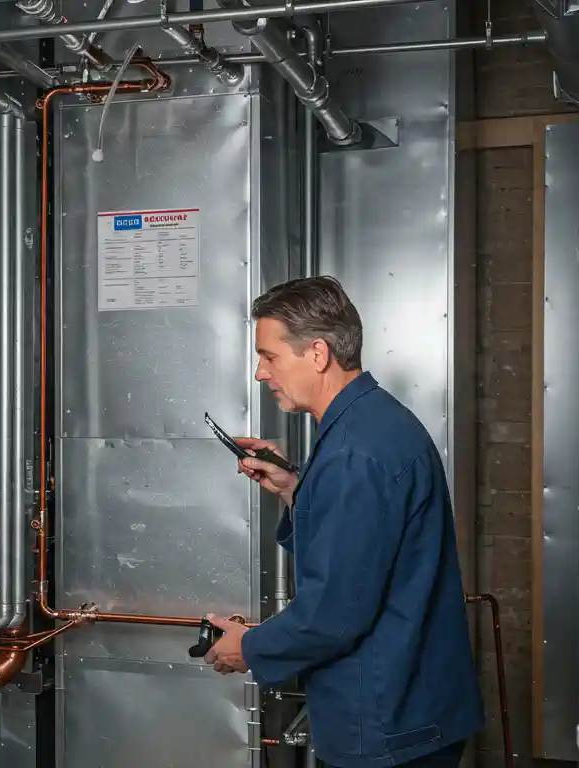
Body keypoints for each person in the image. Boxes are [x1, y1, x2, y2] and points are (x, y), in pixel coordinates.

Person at [202, 276, 483, 767]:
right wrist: (296, 489)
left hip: (386, 720)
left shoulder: (353, 453)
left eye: (270, 357)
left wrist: (249, 646)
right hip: (413, 706)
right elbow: (373, 552)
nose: (260, 374)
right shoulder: (374, 423)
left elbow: (334, 615)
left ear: (317, 353)